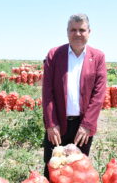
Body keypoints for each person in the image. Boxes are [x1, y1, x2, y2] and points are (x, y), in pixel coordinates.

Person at [42, 13, 107, 179]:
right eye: (73, 30)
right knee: (53, 168)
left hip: (82, 126)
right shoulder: (54, 55)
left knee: (78, 171)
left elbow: (98, 95)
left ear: (89, 32)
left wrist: (87, 124)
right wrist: (51, 123)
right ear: (67, 31)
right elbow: (47, 92)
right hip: (57, 123)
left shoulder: (98, 57)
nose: (77, 34)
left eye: (82, 30)